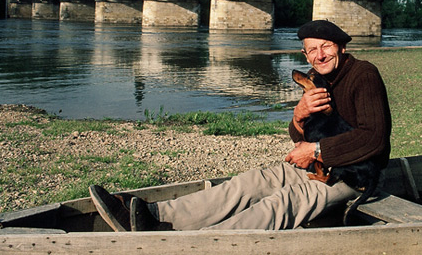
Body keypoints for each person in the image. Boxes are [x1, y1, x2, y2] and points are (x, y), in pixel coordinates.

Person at [89, 19, 391, 231]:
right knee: (247, 184)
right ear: (304, 53)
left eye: (325, 47)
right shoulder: (319, 79)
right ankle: (157, 217)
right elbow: (303, 135)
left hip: (353, 179)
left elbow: (374, 138)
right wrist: (298, 117)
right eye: (311, 50)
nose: (319, 55)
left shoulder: (364, 75)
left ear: (339, 46)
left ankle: (209, 243)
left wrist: (315, 149)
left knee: (283, 202)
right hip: (316, 166)